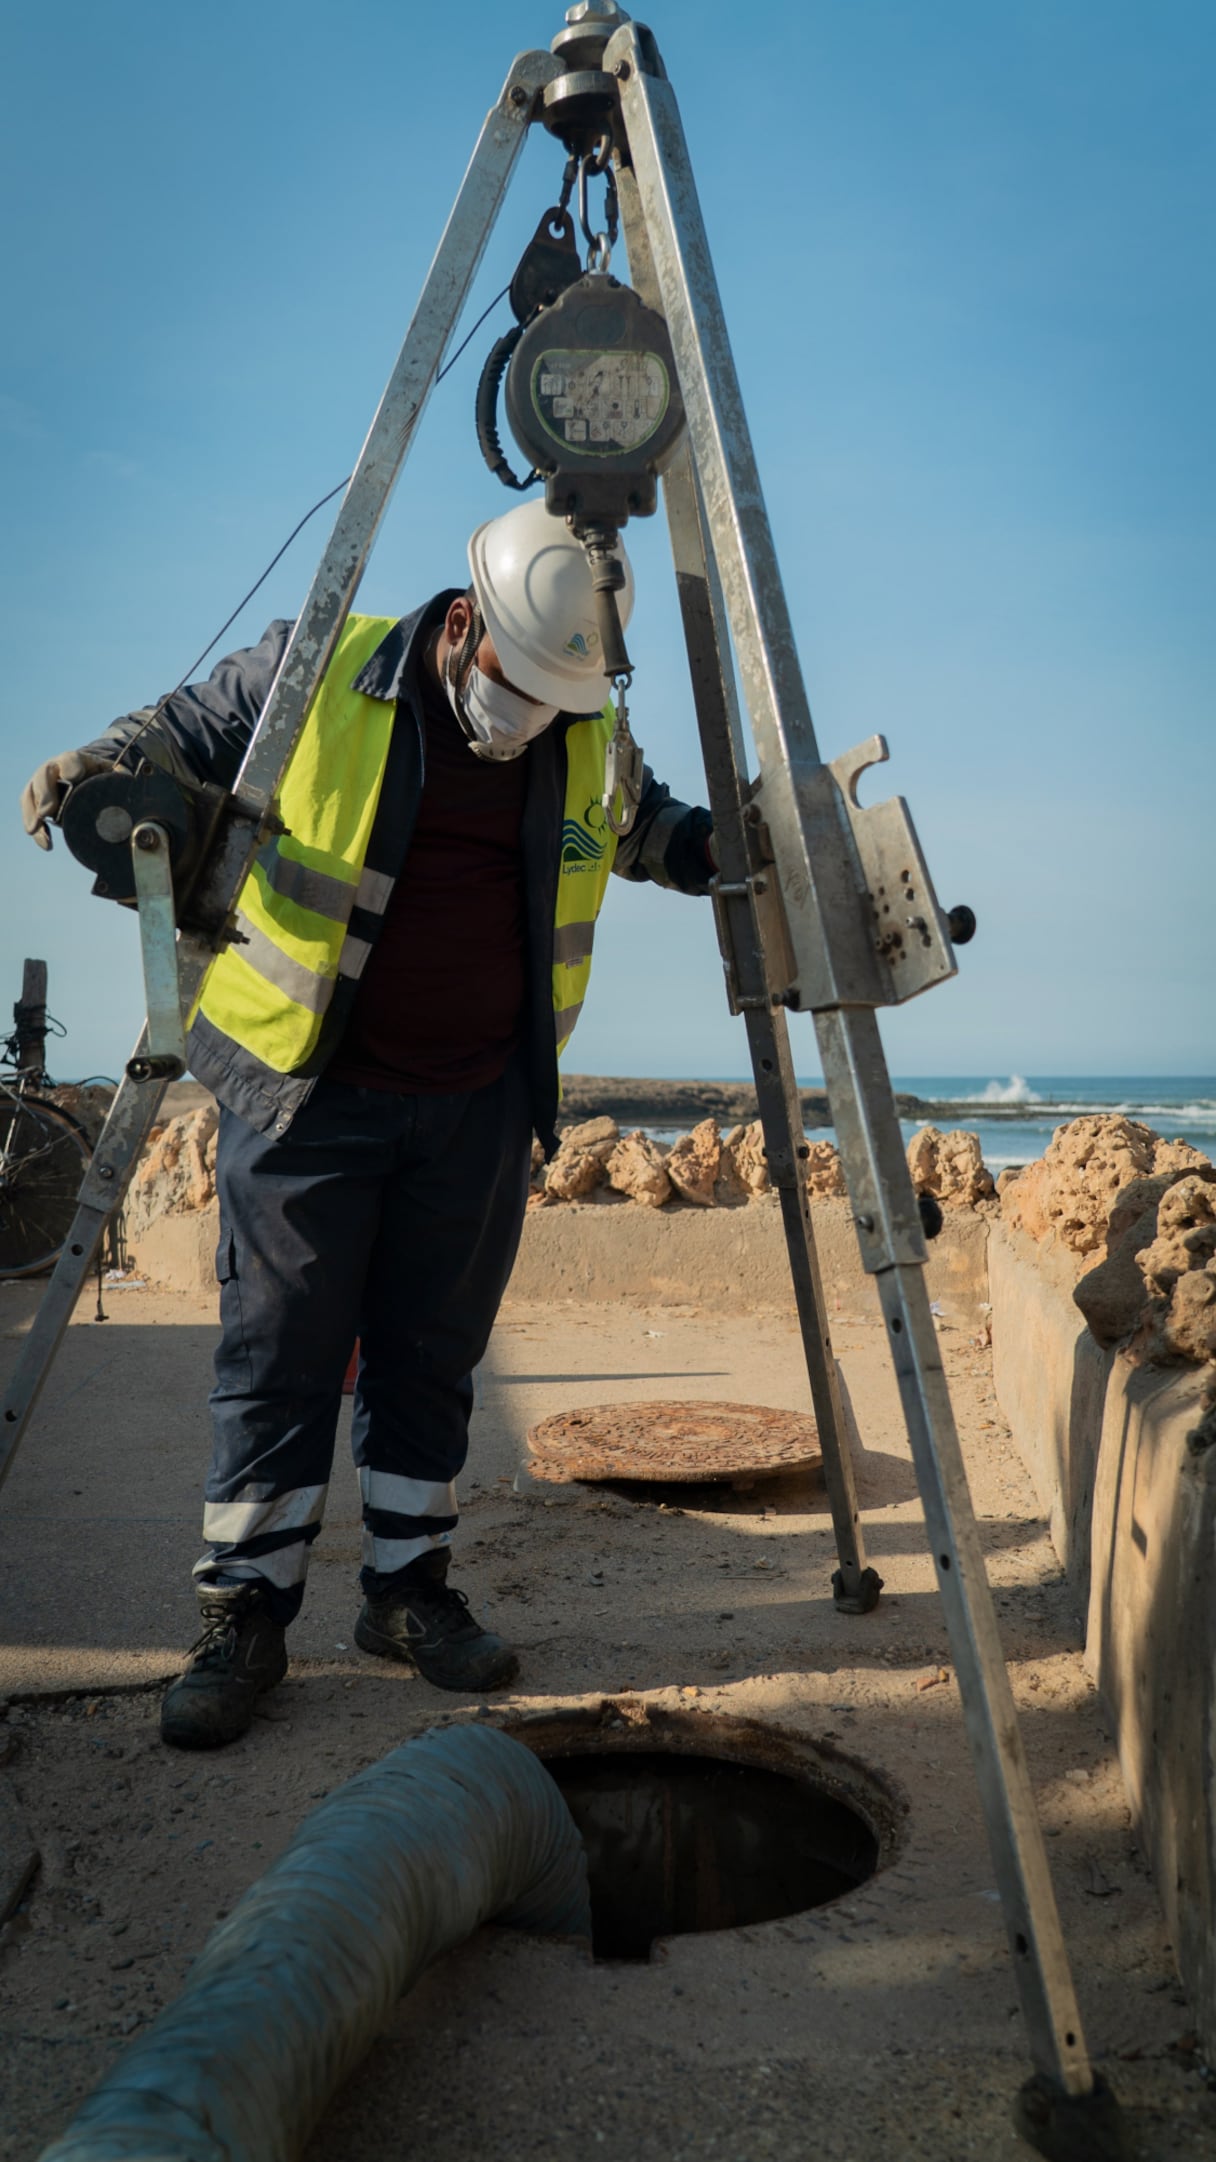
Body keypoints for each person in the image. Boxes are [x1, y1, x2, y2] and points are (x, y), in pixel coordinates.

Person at [22, 498, 715, 1750]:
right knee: (280, 1357)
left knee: (428, 1356)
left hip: (477, 1102)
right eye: (521, 688)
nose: (534, 719)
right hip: (309, 1090)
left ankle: (408, 1595)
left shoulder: (577, 716)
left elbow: (637, 825)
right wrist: (101, 766)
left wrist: (713, 845)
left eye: (562, 699)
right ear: (464, 625)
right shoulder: (319, 668)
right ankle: (244, 1615)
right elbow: (173, 733)